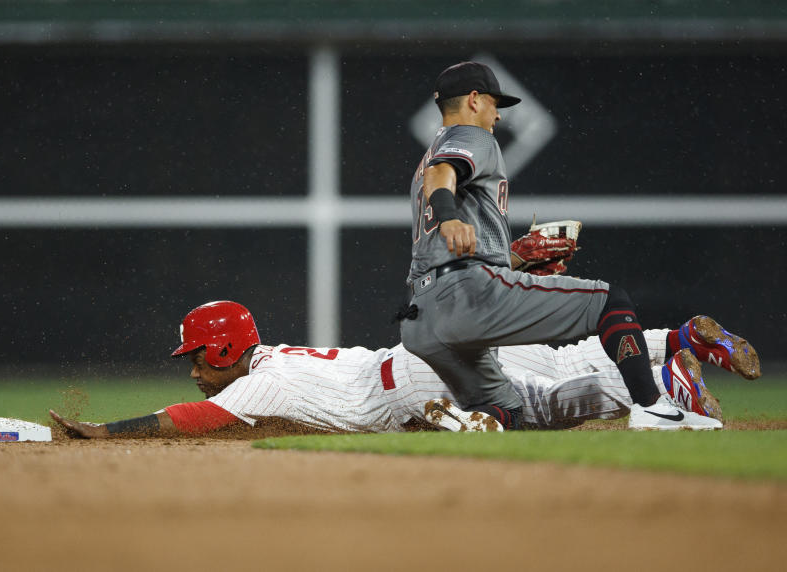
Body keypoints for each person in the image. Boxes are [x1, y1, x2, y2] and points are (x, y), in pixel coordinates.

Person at [396, 61, 727, 430]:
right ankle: (652, 408)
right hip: (469, 296)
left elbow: (437, 179)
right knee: (610, 301)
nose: (498, 116)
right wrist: (449, 215)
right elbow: (442, 173)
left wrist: (511, 259)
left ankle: (457, 423)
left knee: (505, 411)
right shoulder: (473, 137)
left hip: (420, 319)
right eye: (494, 104)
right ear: (474, 100)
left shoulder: (428, 153)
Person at [50, 301, 760, 438]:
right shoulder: (276, 355)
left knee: (546, 405)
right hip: (419, 358)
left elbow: (195, 417)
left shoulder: (257, 381)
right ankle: (675, 346)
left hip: (416, 386)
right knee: (560, 350)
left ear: (224, 351)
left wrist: (107, 433)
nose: (193, 373)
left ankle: (669, 390)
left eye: (197, 359)